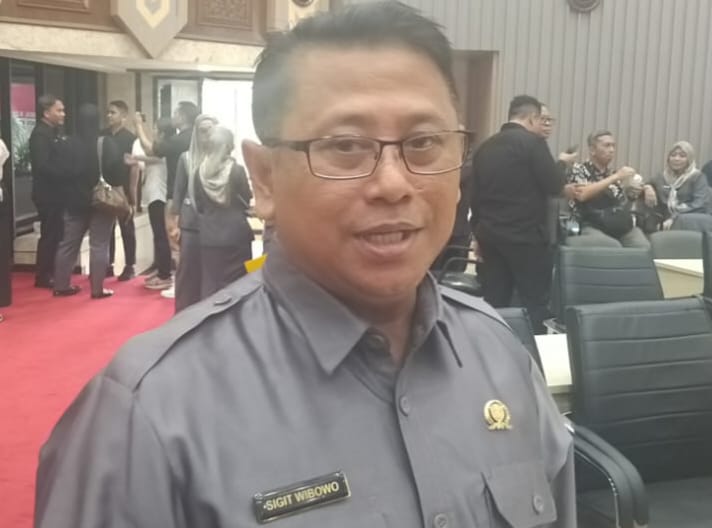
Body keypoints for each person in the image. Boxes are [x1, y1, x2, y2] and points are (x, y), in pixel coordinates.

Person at [35, 4, 574, 527]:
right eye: (345, 146)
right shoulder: (147, 414)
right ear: (264, 177)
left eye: (425, 142)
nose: (393, 184)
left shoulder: (499, 355)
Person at [470, 95, 566, 333]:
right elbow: (554, 185)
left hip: (490, 236)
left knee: (495, 300)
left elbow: (475, 196)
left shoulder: (485, 147)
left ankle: (492, 346)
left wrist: (477, 236)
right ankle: (533, 351)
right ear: (532, 118)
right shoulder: (534, 144)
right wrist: (562, 165)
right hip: (526, 237)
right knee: (534, 302)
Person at [52, 104, 123, 299]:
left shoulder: (67, 144)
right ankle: (97, 289)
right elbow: (117, 172)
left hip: (75, 201)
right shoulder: (105, 143)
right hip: (101, 202)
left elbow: (59, 173)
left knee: (68, 244)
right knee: (99, 245)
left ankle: (61, 285)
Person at [146, 101, 199, 299]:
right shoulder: (194, 138)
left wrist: (139, 126)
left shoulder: (181, 139)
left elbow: (153, 150)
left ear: (183, 117)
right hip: (191, 195)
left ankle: (179, 284)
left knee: (176, 241)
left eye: (176, 114)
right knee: (185, 242)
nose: (173, 118)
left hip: (178, 195)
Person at [194, 126, 253, 298]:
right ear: (227, 147)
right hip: (236, 233)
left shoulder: (199, 172)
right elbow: (246, 197)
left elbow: (198, 203)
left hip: (209, 234)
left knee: (211, 283)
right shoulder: (236, 170)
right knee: (239, 283)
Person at [567, 130, 650, 248]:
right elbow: (582, 194)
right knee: (611, 246)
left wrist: (633, 195)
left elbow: (622, 206)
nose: (611, 150)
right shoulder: (579, 169)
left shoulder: (612, 174)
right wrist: (616, 177)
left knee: (643, 247)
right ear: (592, 150)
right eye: (607, 146)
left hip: (617, 224)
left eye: (613, 146)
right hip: (590, 224)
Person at [170, 114, 218, 311]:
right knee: (187, 271)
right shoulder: (186, 158)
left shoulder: (222, 159)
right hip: (190, 224)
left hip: (215, 224)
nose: (207, 135)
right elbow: (178, 193)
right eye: (203, 131)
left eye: (211, 131)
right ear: (196, 133)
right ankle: (183, 314)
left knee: (211, 272)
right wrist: (174, 225)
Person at [29, 94, 71, 289]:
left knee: (57, 233)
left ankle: (51, 271)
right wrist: (66, 172)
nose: (63, 114)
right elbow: (43, 165)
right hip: (47, 194)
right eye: (59, 110)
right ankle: (43, 275)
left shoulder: (53, 133)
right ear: (47, 113)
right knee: (50, 234)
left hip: (56, 193)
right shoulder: (40, 135)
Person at [129, 115, 175, 290]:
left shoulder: (164, 149)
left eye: (155, 128)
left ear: (162, 132)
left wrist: (139, 125)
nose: (154, 131)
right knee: (158, 235)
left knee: (161, 235)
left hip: (159, 197)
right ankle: (162, 269)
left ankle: (165, 275)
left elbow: (150, 155)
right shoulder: (164, 148)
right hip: (154, 196)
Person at [102, 100, 138, 281]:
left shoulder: (130, 139)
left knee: (127, 228)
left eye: (113, 112)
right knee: (105, 228)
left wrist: (133, 196)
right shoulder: (102, 136)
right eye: (108, 112)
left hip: (122, 188)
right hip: (104, 188)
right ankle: (107, 264)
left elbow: (135, 169)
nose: (109, 116)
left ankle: (130, 265)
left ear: (123, 116)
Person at [644, 140, 712, 231]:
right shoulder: (661, 177)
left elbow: (699, 204)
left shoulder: (698, 177)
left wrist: (675, 217)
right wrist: (647, 188)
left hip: (688, 219)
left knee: (680, 221)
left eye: (682, 156)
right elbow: (647, 183)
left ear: (689, 159)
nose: (676, 159)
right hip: (664, 219)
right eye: (673, 155)